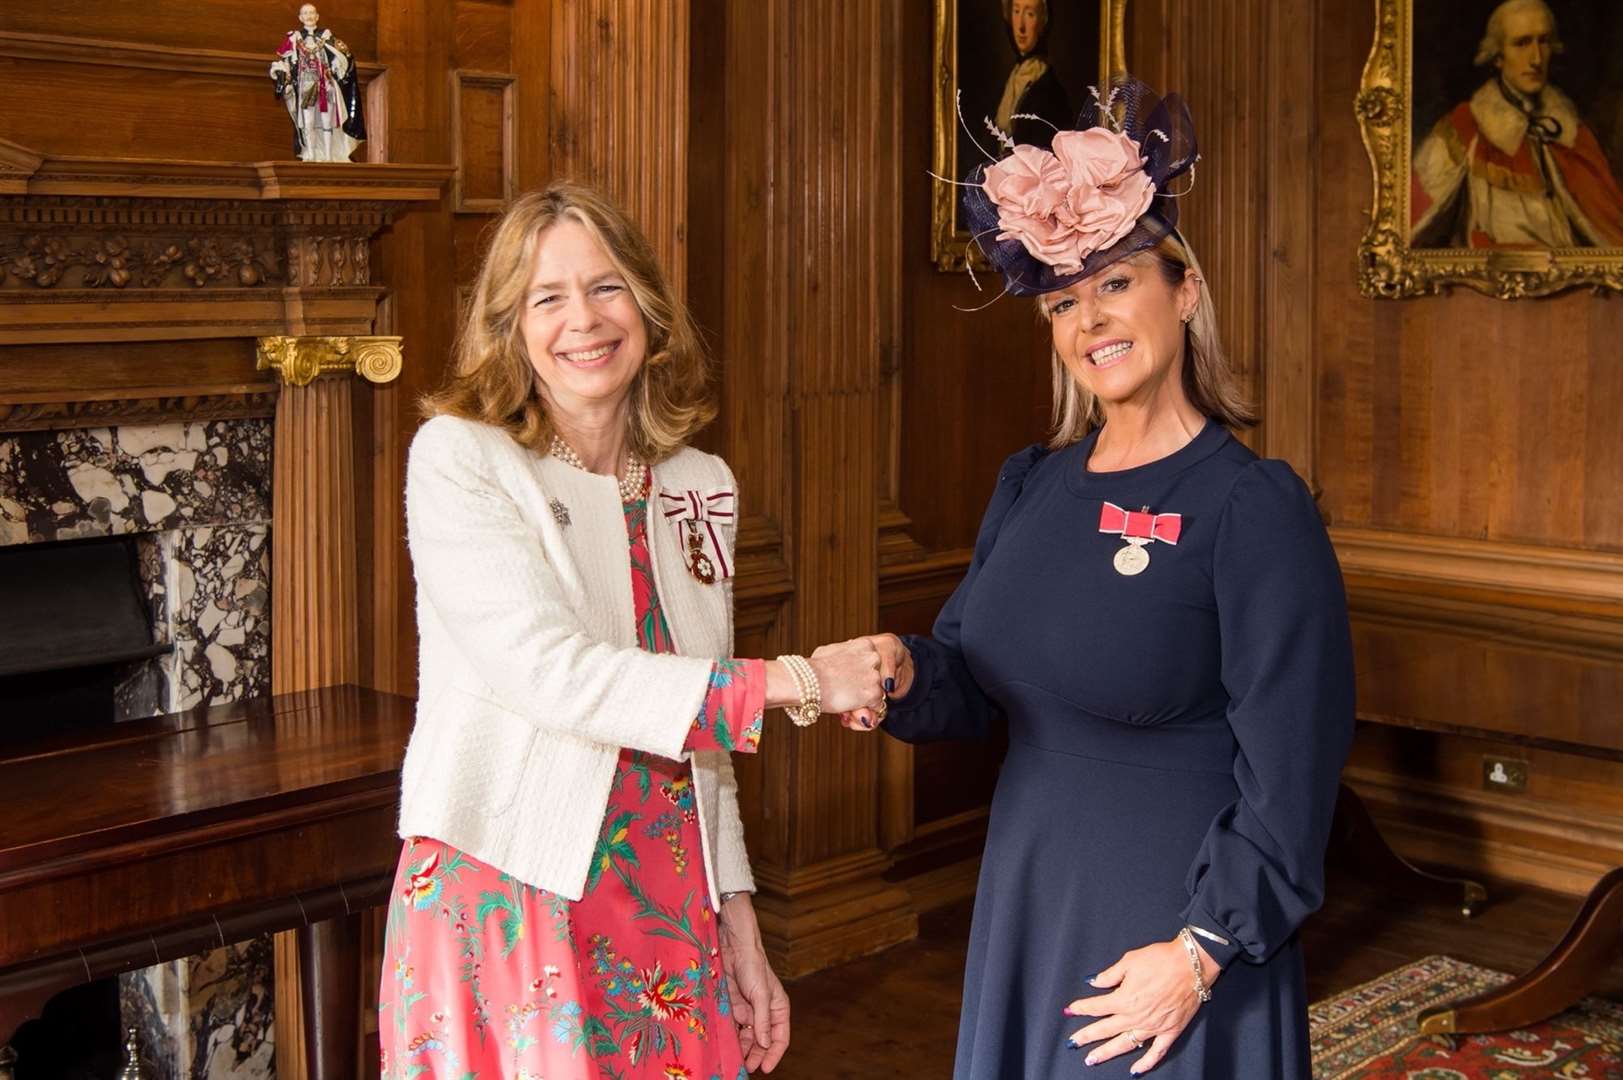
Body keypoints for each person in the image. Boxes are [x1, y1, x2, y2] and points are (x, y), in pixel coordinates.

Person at [828, 79, 1355, 1077]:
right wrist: (902, 671)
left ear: (1183, 290)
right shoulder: (1031, 484)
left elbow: (1294, 776)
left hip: (1173, 942)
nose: (1090, 321)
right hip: (1033, 904)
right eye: (1065, 301)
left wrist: (1200, 956)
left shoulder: (1254, 508)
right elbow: (977, 690)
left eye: (1115, 283)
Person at [378, 182, 886, 1079]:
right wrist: (801, 681)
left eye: (606, 286)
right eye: (547, 297)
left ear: (647, 306)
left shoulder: (697, 482)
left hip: (665, 886)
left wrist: (738, 918)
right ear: (510, 326)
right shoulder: (462, 457)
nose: (583, 319)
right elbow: (551, 675)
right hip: (511, 877)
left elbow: (700, 734)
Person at [1411, 0, 1623, 248]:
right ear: (1498, 56)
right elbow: (1412, 218)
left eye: (1543, 41)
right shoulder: (1465, 128)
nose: (1536, 58)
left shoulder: (1573, 133)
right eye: (1521, 43)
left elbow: (1611, 232)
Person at [269, 4, 366, 162]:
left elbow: (344, 57)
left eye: (311, 13)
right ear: (300, 18)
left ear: (317, 16)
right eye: (305, 13)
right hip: (306, 86)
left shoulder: (327, 37)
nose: (308, 16)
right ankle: (312, 154)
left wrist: (336, 65)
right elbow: (284, 61)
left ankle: (328, 156)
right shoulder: (294, 39)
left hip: (326, 86)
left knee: (327, 121)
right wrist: (282, 75)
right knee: (308, 122)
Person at [993, 0, 1071, 149]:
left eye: (1030, 14)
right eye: (1016, 11)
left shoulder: (1050, 91)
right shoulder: (1010, 79)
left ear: (1043, 22)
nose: (1021, 27)